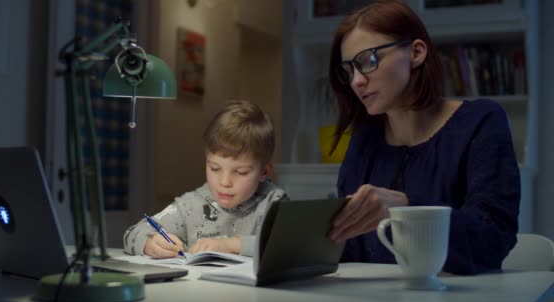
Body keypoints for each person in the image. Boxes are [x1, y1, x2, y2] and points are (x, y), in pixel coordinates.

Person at [325, 0, 520, 275]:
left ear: (416, 53)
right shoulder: (365, 139)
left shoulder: (481, 122)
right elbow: (350, 250)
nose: (357, 81)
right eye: (349, 71)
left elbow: (492, 239)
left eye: (368, 61)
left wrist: (406, 209)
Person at [123, 100, 287, 258]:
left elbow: (288, 244)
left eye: (241, 172)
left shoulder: (274, 202)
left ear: (264, 171)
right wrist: (149, 244)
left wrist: (230, 245)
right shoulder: (190, 205)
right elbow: (132, 233)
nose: (225, 182)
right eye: (215, 168)